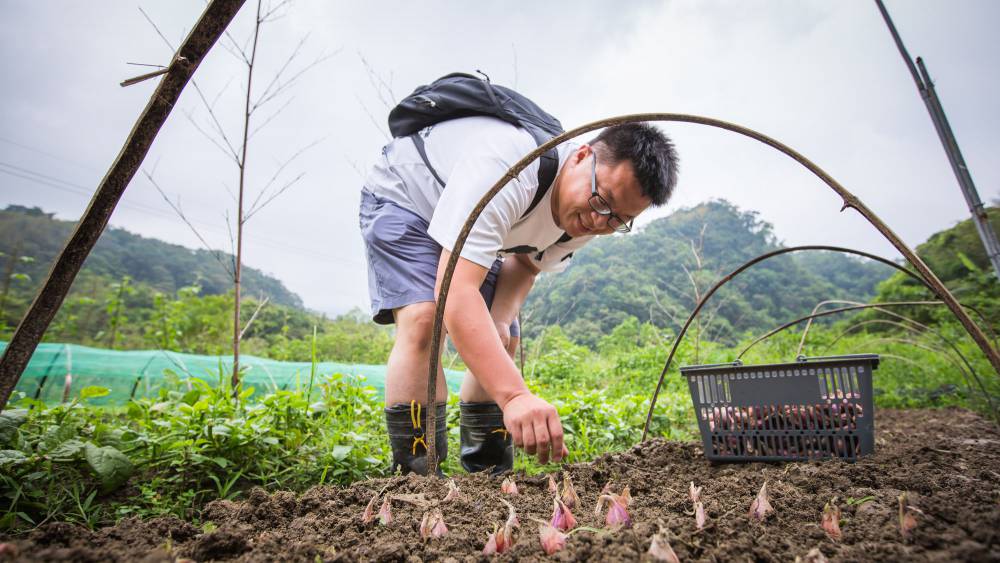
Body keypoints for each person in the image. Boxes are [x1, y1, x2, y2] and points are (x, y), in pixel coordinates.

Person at [359, 116, 679, 476]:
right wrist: (514, 396)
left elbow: (526, 265)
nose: (600, 222)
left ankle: (488, 473)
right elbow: (455, 292)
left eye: (619, 219)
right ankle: (418, 477)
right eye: (602, 202)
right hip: (409, 198)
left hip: (477, 233)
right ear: (581, 156)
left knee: (502, 332)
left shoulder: (594, 215)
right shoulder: (508, 170)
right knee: (426, 319)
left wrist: (498, 320)